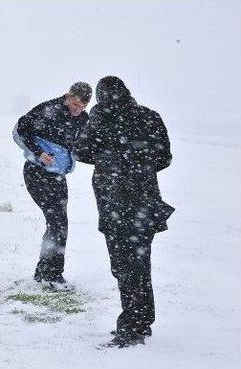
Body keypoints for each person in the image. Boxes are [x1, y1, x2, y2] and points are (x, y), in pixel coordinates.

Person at [73, 76, 174, 348]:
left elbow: (80, 151)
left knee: (124, 265)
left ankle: (132, 327)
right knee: (140, 261)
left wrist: (111, 162)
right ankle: (142, 320)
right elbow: (165, 157)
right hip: (145, 201)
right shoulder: (150, 116)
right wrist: (138, 166)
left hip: (115, 201)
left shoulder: (100, 116)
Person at [14, 82, 92, 291]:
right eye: (74, 104)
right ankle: (51, 275)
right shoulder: (48, 110)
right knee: (58, 222)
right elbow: (22, 128)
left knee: (58, 223)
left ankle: (45, 273)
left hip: (57, 176)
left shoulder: (84, 119)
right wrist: (39, 152)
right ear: (67, 96)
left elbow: (86, 143)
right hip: (37, 172)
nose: (77, 110)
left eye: (82, 107)